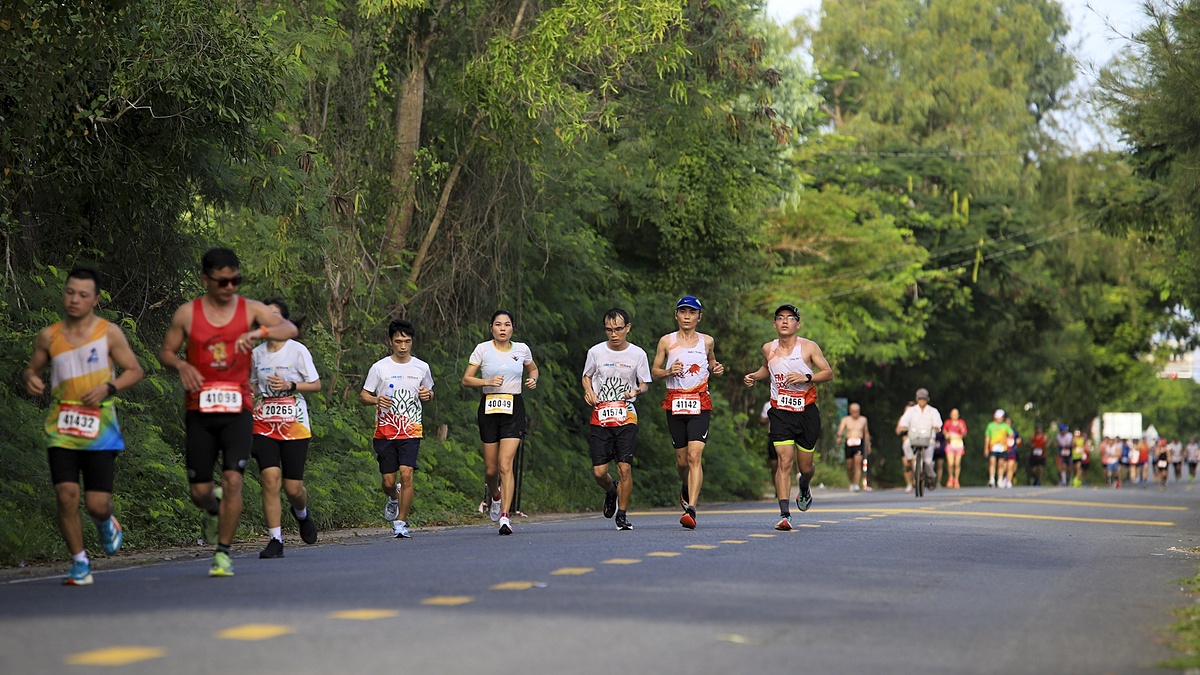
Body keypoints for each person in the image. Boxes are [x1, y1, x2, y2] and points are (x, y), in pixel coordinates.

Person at [159, 248, 297, 577]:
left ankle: (223, 553)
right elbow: (165, 351)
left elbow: (289, 328)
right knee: (200, 492)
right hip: (200, 411)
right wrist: (180, 365)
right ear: (206, 280)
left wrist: (259, 332)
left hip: (238, 409)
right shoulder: (187, 314)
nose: (230, 287)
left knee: (234, 480)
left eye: (236, 280)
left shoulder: (250, 309)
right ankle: (212, 507)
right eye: (223, 282)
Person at [23, 267, 145, 585]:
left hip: (99, 429)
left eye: (82, 295)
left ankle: (106, 522)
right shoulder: (49, 336)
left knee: (96, 503)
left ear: (95, 300)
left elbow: (134, 370)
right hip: (61, 426)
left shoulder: (108, 333)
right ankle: (79, 562)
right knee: (66, 494)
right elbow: (32, 369)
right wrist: (32, 379)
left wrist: (109, 388)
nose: (74, 300)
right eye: (70, 292)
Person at [743, 304, 833, 531]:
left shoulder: (808, 347)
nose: (785, 321)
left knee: (805, 467)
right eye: (780, 318)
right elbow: (767, 369)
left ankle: (804, 484)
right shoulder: (768, 348)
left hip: (806, 411)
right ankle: (785, 514)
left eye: (790, 318)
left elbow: (828, 373)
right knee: (784, 461)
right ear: (774, 324)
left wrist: (807, 376)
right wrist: (755, 376)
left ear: (797, 324)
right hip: (780, 411)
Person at [250, 299, 321, 558]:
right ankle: (275, 539)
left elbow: (315, 384)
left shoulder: (297, 351)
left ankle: (301, 514)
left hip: (294, 423)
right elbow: (253, 385)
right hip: (263, 422)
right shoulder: (256, 353)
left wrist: (291, 386)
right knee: (270, 478)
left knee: (293, 489)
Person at [461, 310, 539, 536]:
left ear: (512, 328)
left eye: (507, 324)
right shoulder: (482, 349)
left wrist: (532, 378)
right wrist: (486, 381)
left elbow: (532, 368)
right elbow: (466, 379)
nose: (503, 328)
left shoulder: (521, 349)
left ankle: (505, 516)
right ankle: (495, 495)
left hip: (514, 406)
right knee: (491, 468)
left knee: (506, 464)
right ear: (491, 328)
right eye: (498, 324)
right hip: (489, 407)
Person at [651, 295, 724, 530]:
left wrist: (716, 367)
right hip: (675, 403)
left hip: (700, 402)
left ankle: (691, 509)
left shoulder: (707, 341)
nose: (687, 316)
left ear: (699, 317)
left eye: (692, 312)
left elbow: (711, 362)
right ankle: (686, 485)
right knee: (682, 462)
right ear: (676, 315)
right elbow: (653, 372)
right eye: (683, 312)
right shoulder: (666, 341)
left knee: (695, 456)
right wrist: (668, 370)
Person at [360, 319, 433, 539]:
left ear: (412, 342)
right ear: (391, 341)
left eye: (407, 341)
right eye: (398, 341)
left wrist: (427, 395)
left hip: (411, 429)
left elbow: (429, 392)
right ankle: (393, 497)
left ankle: (401, 522)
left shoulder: (422, 367)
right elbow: (364, 395)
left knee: (407, 474)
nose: (403, 346)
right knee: (388, 481)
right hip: (385, 430)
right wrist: (376, 400)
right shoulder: (379, 367)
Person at [582, 308, 651, 531]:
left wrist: (636, 392)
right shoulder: (595, 352)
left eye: (618, 329)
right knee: (599, 472)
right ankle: (611, 490)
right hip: (601, 415)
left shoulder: (638, 354)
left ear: (627, 328)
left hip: (627, 414)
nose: (613, 334)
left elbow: (645, 384)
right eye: (609, 330)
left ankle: (622, 515)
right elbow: (587, 376)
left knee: (624, 468)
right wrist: (589, 392)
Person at [896, 389, 942, 492]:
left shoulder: (933, 411)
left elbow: (938, 422)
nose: (922, 401)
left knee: (928, 461)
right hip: (914, 437)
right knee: (906, 444)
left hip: (928, 438)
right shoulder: (911, 411)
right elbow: (904, 420)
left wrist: (936, 426)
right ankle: (908, 462)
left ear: (927, 400)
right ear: (917, 399)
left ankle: (931, 476)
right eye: (920, 399)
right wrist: (903, 426)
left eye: (924, 399)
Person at [834, 403, 870, 492]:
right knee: (849, 466)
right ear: (850, 411)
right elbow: (841, 430)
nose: (855, 414)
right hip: (849, 443)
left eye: (857, 412)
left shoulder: (863, 420)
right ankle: (852, 482)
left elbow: (866, 433)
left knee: (858, 463)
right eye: (853, 412)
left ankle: (857, 484)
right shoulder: (846, 420)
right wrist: (839, 437)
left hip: (859, 443)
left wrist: (868, 445)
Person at [984, 410, 1014, 488]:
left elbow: (1011, 434)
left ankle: (1000, 479)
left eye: (1001, 417)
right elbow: (987, 437)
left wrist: (1007, 439)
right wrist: (986, 448)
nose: (999, 418)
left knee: (1001, 464)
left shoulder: (1005, 426)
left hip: (1002, 447)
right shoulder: (990, 425)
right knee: (992, 462)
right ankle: (991, 479)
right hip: (993, 447)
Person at [942, 408, 968, 488]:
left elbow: (964, 433)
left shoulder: (961, 422)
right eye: (953, 414)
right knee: (951, 463)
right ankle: (950, 477)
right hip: (950, 444)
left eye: (956, 414)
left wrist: (962, 429)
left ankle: (956, 479)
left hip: (959, 444)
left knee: (957, 463)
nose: (954, 416)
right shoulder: (948, 423)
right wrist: (947, 435)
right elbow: (944, 431)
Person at [1004, 416, 1022, 489]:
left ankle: (1009, 481)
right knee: (1004, 466)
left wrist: (1019, 441)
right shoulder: (1002, 431)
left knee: (1011, 467)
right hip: (1004, 450)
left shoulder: (1014, 432)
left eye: (1009, 422)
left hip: (1012, 451)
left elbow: (1019, 440)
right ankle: (1004, 478)